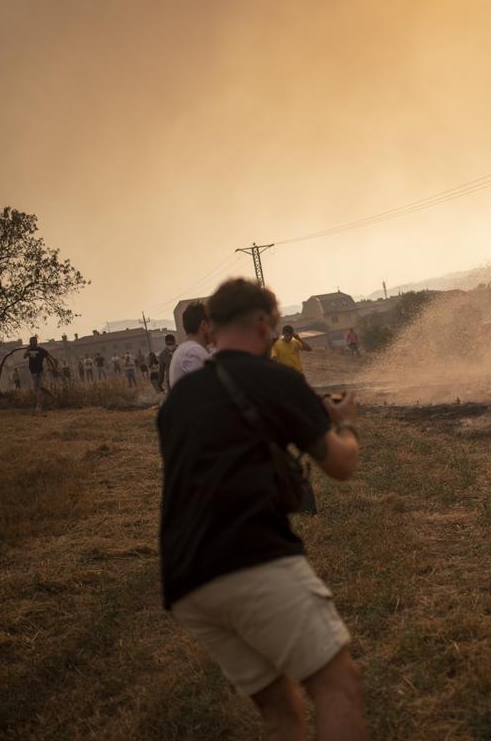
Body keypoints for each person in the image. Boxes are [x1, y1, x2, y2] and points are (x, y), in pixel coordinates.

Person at [158, 278, 366, 740]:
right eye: (272, 327)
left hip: (185, 578)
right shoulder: (274, 379)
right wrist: (346, 425)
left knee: (281, 715)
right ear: (260, 323)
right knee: (337, 685)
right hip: (249, 556)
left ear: (214, 326)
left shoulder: (180, 400)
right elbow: (340, 465)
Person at [169, 302, 213, 389]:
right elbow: (209, 389)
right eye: (211, 324)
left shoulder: (185, 349)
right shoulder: (194, 351)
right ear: (204, 325)